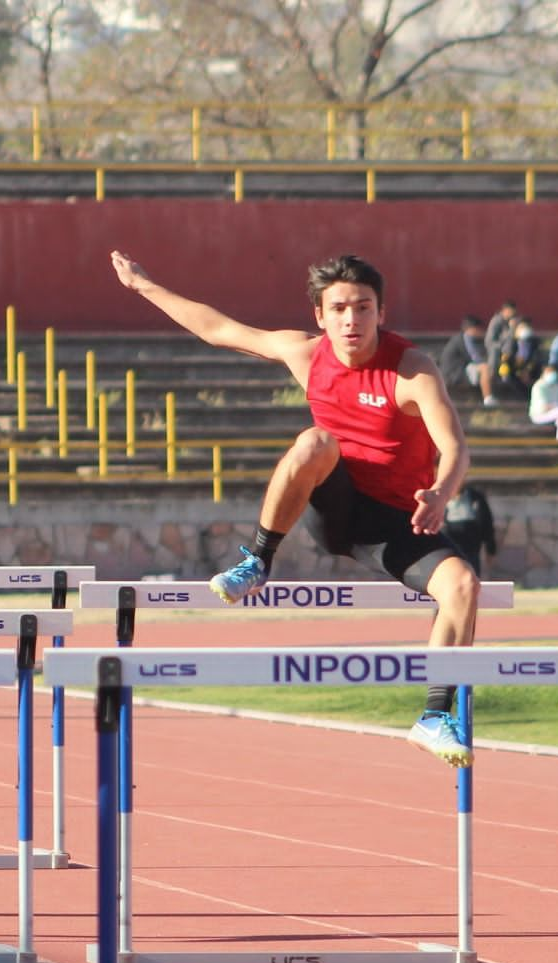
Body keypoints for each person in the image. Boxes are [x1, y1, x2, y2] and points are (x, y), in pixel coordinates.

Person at [110, 250, 481, 767]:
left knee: (462, 583)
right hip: (339, 507)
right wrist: (145, 287)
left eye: (364, 308)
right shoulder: (306, 353)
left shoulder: (412, 369)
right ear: (320, 317)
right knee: (315, 442)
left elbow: (455, 446)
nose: (352, 320)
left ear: (381, 312)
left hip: (401, 518)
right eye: (340, 309)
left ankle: (435, 715)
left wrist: (441, 492)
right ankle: (258, 560)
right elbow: (218, 329)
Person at [439, 314, 496, 405]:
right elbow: (475, 358)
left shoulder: (468, 339)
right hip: (454, 373)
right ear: (472, 329)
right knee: (485, 368)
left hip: (461, 369)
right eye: (479, 329)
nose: (481, 331)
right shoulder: (464, 339)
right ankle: (488, 398)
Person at [441, 484, 497, 576]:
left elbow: (486, 524)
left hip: (471, 551)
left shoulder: (475, 498)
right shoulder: (440, 498)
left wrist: (490, 549)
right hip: (447, 552)